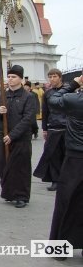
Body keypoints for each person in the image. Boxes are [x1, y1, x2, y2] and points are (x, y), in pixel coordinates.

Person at [46, 73, 83, 251]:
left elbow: (53, 99)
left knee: (66, 201)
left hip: (75, 158)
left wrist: (73, 84)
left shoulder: (75, 100)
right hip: (74, 155)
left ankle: (59, 247)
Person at [0, 65, 37, 208]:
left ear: (21, 79)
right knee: (0, 162)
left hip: (21, 137)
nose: (10, 79)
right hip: (3, 135)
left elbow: (28, 119)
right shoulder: (2, 96)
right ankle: (9, 191)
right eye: (9, 77)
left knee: (20, 167)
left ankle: (21, 196)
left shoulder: (28, 97)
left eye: (14, 77)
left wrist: (12, 135)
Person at [34, 69, 67, 191]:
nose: (52, 79)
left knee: (67, 155)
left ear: (60, 77)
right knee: (53, 155)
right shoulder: (47, 94)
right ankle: (55, 180)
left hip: (67, 128)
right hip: (53, 127)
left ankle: (67, 179)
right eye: (50, 77)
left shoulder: (69, 91)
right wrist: (44, 129)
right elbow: (45, 112)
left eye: (54, 76)